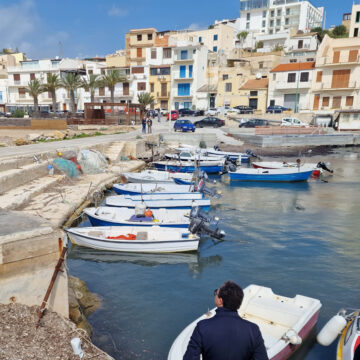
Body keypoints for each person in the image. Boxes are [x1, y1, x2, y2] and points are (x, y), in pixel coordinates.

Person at [184, 281, 268, 360]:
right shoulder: (253, 330)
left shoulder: (202, 327)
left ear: (220, 301)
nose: (215, 294)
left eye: (216, 293)